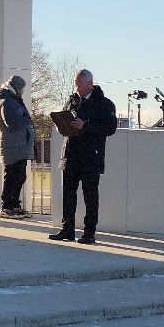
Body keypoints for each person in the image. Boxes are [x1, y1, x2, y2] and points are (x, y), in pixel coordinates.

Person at [50, 68, 117, 244]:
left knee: (90, 196)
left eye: (80, 83)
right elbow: (66, 122)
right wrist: (62, 124)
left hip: (90, 156)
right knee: (68, 194)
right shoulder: (72, 101)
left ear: (90, 83)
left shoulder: (104, 103)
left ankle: (89, 233)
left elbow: (110, 128)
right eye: (76, 83)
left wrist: (85, 126)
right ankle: (67, 229)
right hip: (70, 153)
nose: (77, 87)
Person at [0, 74, 35, 220]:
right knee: (12, 177)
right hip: (13, 146)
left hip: (17, 146)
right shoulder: (8, 102)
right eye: (21, 89)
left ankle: (14, 205)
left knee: (19, 177)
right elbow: (13, 123)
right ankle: (7, 207)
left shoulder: (10, 100)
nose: (22, 92)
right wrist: (27, 119)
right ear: (16, 88)